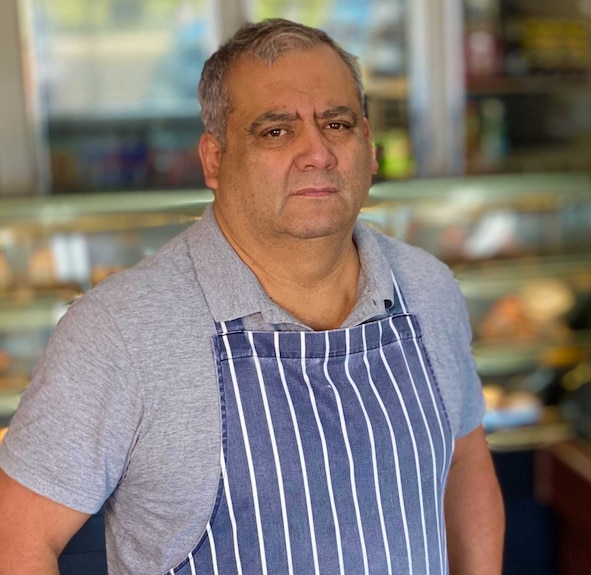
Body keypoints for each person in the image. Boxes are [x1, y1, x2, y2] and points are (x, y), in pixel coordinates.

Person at [0, 18, 504, 574]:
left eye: (336, 123)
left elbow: (465, 463)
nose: (317, 153)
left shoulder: (427, 288)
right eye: (276, 131)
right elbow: (16, 537)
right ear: (214, 160)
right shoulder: (118, 333)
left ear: (370, 146)